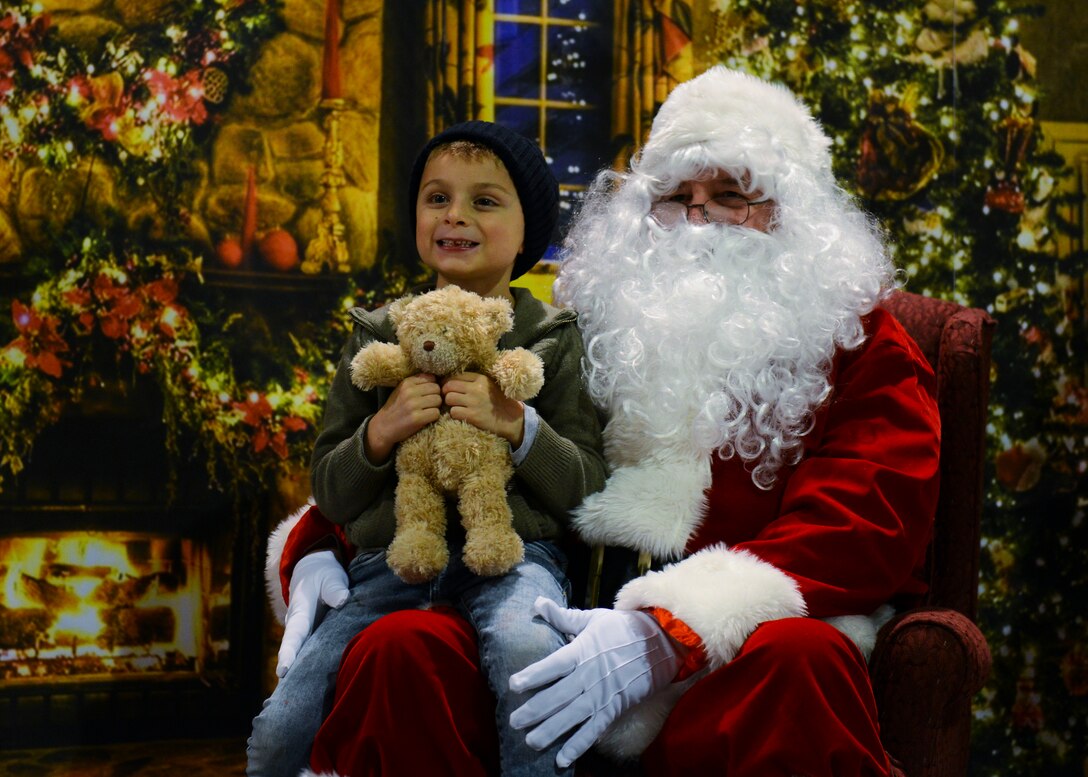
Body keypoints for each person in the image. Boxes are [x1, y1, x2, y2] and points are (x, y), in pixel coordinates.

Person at [268, 66, 940, 777]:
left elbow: (867, 519)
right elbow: (449, 435)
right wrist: (314, 542)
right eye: (677, 195)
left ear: (791, 213)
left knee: (805, 661)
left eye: (731, 194)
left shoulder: (856, 338)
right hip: (546, 633)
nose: (699, 216)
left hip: (732, 659)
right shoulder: (593, 323)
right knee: (403, 645)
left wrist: (666, 632)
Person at [246, 120, 606, 777]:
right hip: (390, 561)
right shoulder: (378, 336)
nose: (456, 215)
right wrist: (379, 432)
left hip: (515, 557)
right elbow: (330, 489)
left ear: (529, 231)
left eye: (485, 201)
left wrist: (518, 426)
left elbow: (586, 489)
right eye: (437, 198)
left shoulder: (551, 337)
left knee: (530, 660)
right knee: (289, 706)